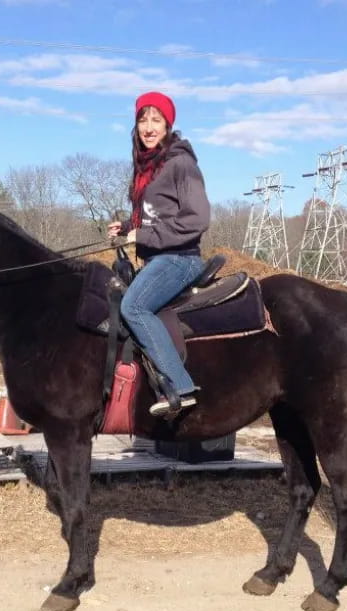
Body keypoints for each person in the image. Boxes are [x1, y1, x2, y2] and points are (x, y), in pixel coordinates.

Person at [107, 91, 211, 417]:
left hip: (180, 257)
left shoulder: (181, 164)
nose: (149, 127)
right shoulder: (147, 168)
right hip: (156, 256)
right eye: (143, 119)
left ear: (168, 125)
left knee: (134, 306)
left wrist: (144, 234)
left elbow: (197, 219)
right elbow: (154, 215)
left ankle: (180, 385)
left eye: (156, 120)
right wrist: (126, 227)